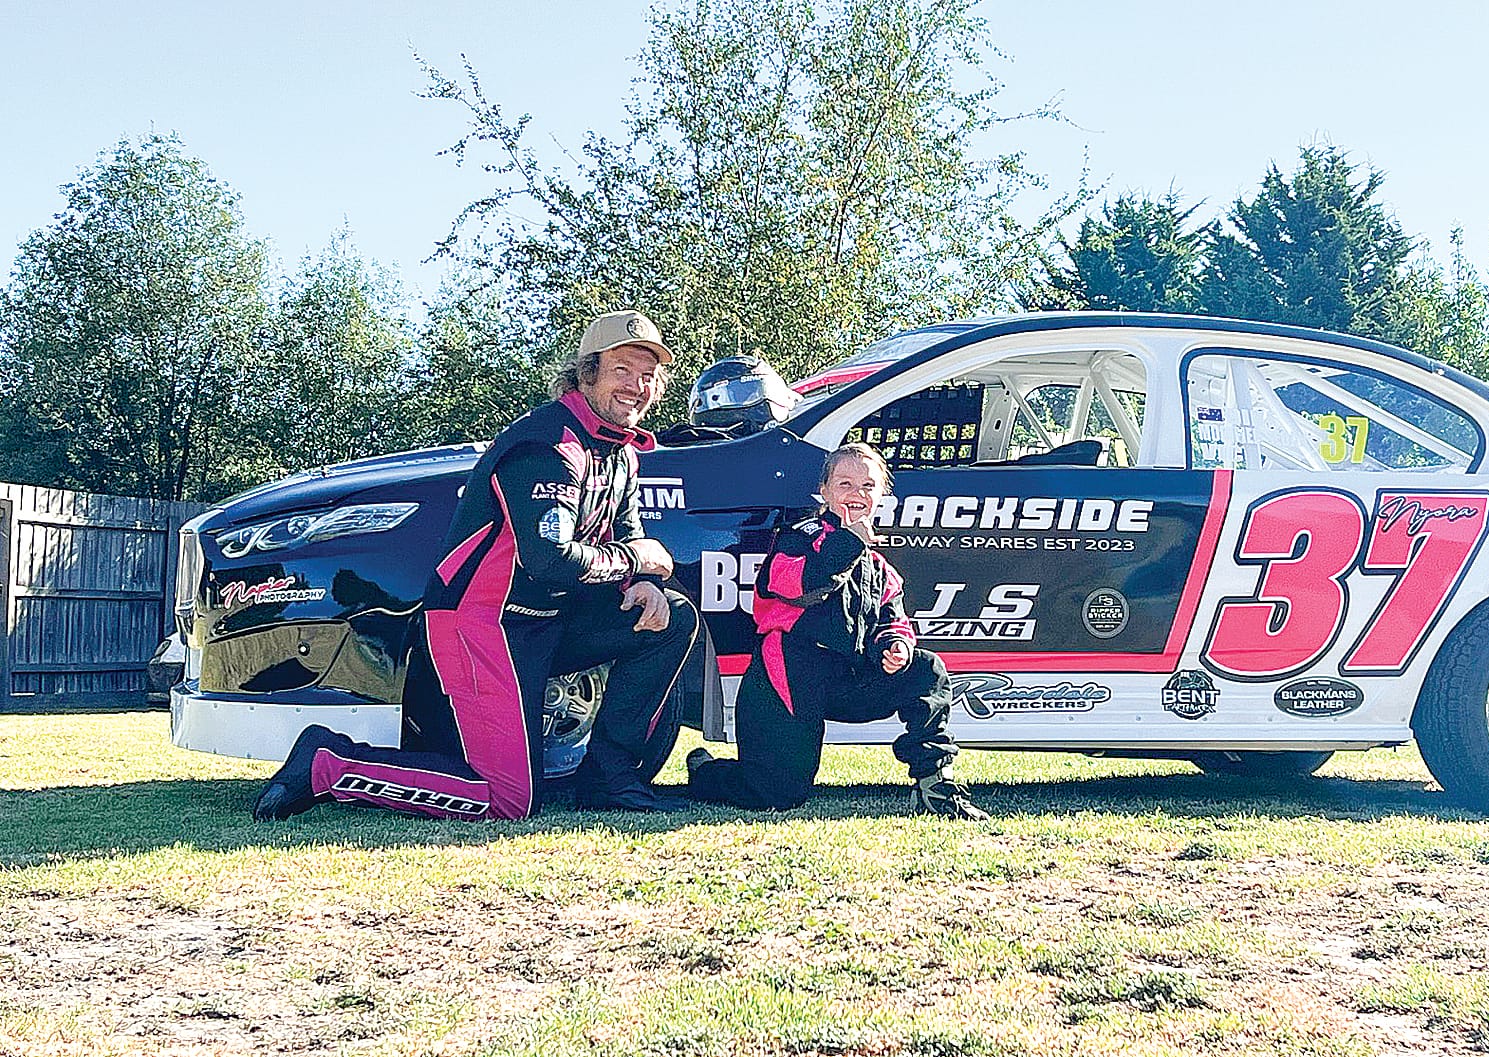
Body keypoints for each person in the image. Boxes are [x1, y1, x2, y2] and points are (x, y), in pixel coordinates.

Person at [253, 309, 700, 821]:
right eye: (622, 369)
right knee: (506, 800)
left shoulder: (619, 448)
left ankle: (610, 783)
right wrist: (636, 562)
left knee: (673, 615)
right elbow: (550, 559)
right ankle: (325, 764)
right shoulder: (547, 442)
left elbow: (627, 531)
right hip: (479, 623)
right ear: (587, 371)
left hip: (546, 622)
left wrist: (644, 580)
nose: (636, 386)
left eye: (648, 375)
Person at [685, 443, 988, 820]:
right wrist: (849, 541)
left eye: (868, 486)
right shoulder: (798, 536)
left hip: (846, 679)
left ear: (882, 496)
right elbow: (798, 587)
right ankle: (705, 770)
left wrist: (896, 648)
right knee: (777, 793)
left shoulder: (880, 566)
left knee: (926, 667)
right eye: (845, 483)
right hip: (787, 677)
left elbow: (895, 621)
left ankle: (934, 783)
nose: (857, 494)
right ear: (825, 492)